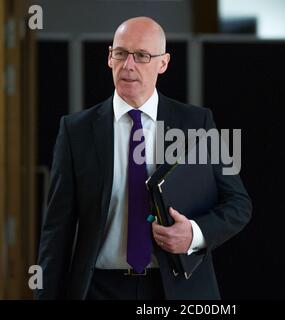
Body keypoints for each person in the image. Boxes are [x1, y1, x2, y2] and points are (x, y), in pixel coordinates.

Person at [36, 16, 252, 300]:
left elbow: (238, 204)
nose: (129, 65)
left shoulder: (196, 124)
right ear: (109, 58)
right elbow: (57, 230)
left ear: (163, 63)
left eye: (142, 56)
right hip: (99, 289)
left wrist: (194, 234)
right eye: (121, 53)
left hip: (175, 290)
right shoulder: (76, 131)